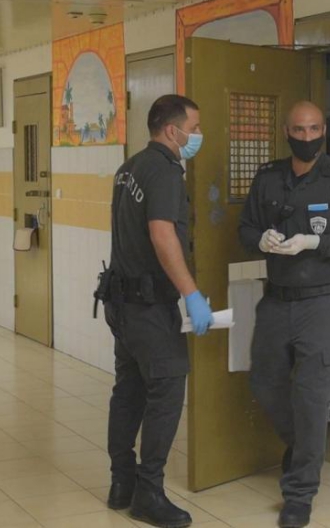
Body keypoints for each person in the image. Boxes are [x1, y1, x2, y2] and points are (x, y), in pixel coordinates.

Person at [238, 101, 330, 528]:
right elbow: (245, 227)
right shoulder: (268, 177)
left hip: (323, 303)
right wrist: (260, 240)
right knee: (264, 381)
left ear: (324, 132)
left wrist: (314, 243)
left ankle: (299, 493)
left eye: (314, 129)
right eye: (299, 129)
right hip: (277, 299)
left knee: (311, 396)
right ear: (286, 131)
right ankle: (302, 448)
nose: (307, 136)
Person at [101, 95, 213, 528]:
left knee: (128, 391)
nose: (197, 135)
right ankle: (148, 493)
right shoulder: (165, 171)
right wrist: (191, 294)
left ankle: (121, 483)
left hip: (121, 303)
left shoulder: (128, 168)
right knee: (166, 390)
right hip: (148, 308)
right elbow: (162, 234)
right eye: (194, 127)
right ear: (172, 130)